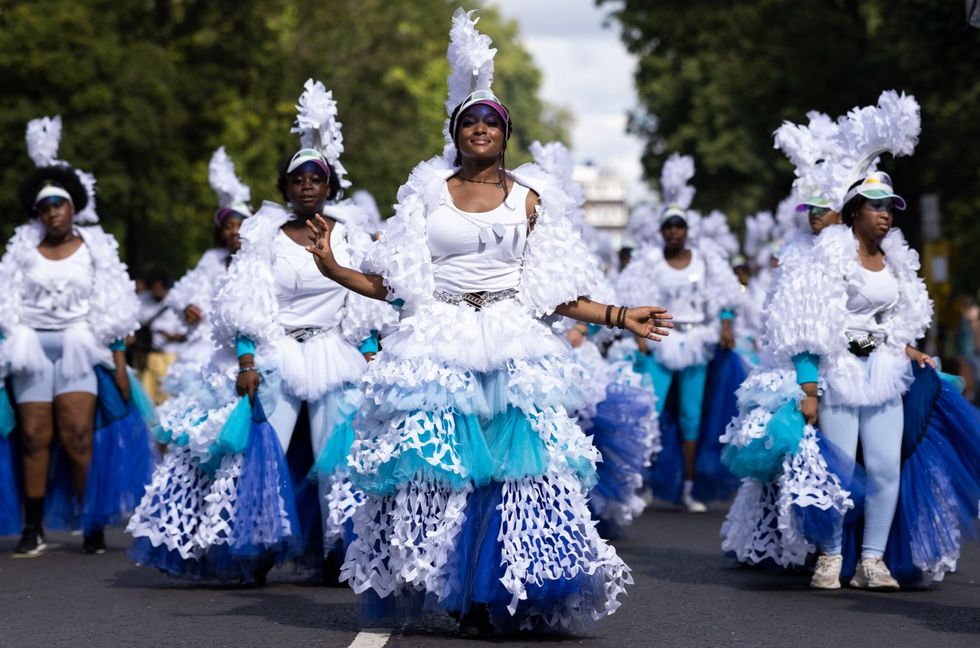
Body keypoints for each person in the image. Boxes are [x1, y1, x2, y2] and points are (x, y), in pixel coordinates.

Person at [303, 10, 671, 636]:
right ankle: (459, 589)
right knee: (450, 476)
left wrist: (620, 316)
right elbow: (394, 288)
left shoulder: (532, 198)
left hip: (510, 342)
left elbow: (555, 293)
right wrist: (335, 268)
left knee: (517, 474)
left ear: (505, 135)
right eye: (469, 121)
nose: (479, 129)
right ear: (456, 132)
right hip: (438, 344)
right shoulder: (427, 193)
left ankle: (505, 588)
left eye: (490, 123)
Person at [128, 81, 391, 584]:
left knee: (340, 458)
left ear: (329, 186)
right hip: (278, 351)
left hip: (335, 353)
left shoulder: (352, 234)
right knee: (258, 454)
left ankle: (341, 552)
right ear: (286, 188)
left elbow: (361, 304)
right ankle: (252, 549)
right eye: (297, 179)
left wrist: (372, 351)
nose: (307, 185)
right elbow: (246, 303)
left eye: (316, 177)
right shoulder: (263, 236)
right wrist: (247, 361)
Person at [723, 91, 979, 589]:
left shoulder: (899, 261)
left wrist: (911, 350)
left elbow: (900, 322)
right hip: (838, 371)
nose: (886, 215)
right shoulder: (826, 257)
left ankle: (872, 561)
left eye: (890, 208)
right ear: (855, 210)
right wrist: (809, 387)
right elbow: (803, 326)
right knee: (836, 471)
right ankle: (830, 557)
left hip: (883, 371)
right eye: (877, 207)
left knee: (884, 467)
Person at [0, 116, 147, 556]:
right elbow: (5, 301)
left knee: (79, 435)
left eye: (59, 204)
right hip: (30, 347)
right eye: (45, 207)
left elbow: (114, 310)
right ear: (38, 213)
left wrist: (120, 365)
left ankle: (91, 520)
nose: (52, 213)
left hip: (80, 348)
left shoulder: (96, 247)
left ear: (72, 206)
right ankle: (33, 526)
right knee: (33, 435)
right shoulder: (22, 249)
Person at [617, 154, 742, 512]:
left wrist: (727, 325)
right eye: (668, 226)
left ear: (687, 230)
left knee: (691, 416)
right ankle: (642, 484)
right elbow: (630, 295)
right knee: (649, 412)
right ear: (661, 231)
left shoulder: (705, 259)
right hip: (660, 341)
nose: (674, 231)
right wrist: (639, 336)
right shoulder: (649, 261)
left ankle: (688, 487)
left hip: (697, 340)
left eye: (679, 225)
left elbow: (726, 296)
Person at [162, 147, 251, 396]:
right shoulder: (212, 259)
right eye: (227, 226)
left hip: (251, 351)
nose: (234, 231)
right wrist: (187, 307)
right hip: (208, 349)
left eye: (240, 224)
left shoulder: (263, 259)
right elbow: (180, 294)